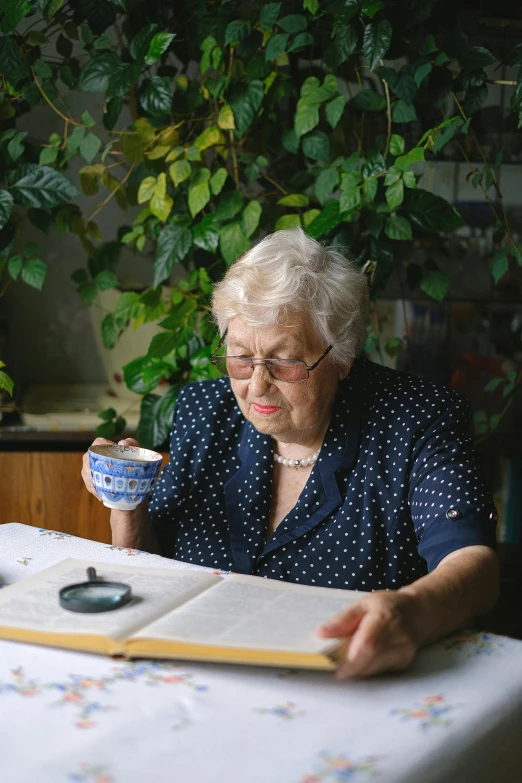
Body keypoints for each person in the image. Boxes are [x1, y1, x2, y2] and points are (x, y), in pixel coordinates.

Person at [82, 228, 499, 679]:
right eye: (241, 357)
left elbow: (473, 565)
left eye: (284, 362)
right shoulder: (204, 411)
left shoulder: (416, 418)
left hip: (345, 680)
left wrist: (412, 613)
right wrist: (127, 505)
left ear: (342, 357)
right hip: (196, 674)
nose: (257, 384)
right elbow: (150, 570)